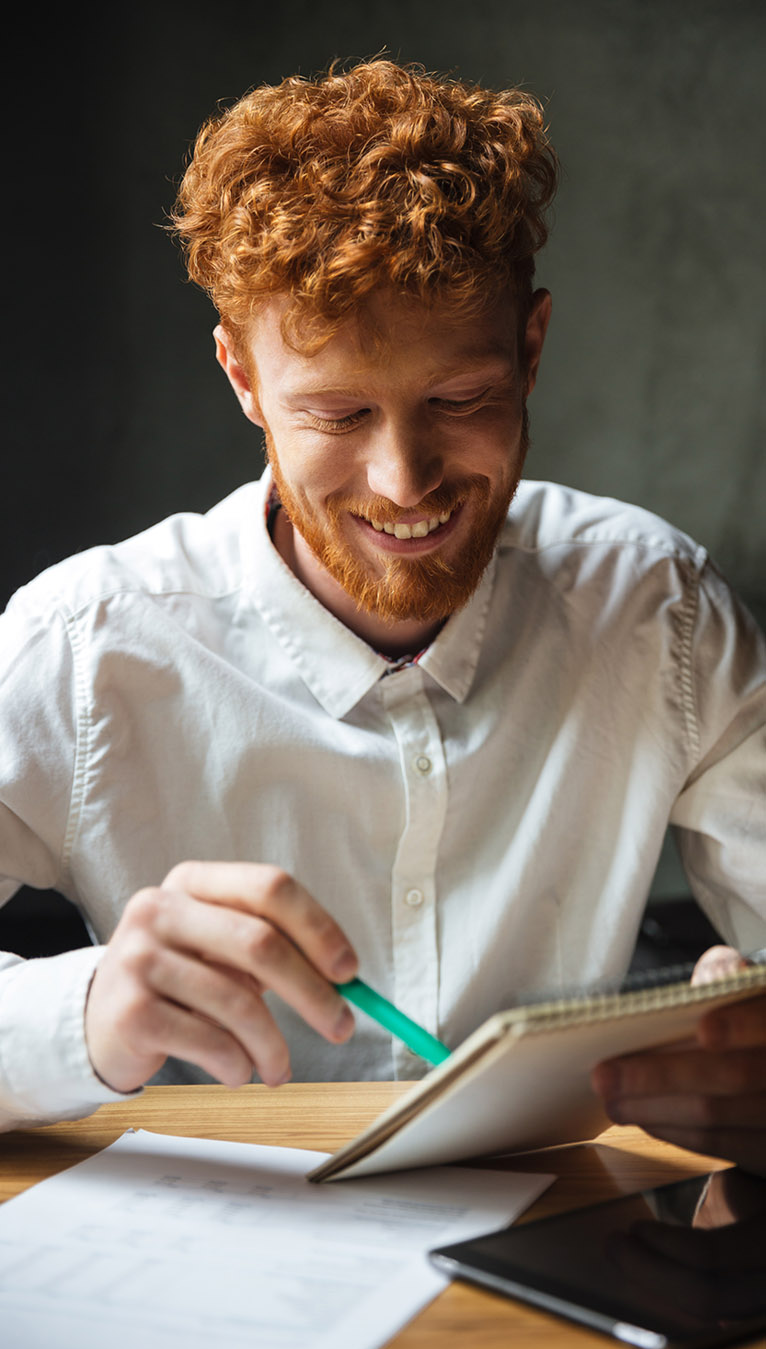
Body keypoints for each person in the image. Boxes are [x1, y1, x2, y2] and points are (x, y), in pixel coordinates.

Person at [1, 61, 765, 1172]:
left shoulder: (662, 615)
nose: (404, 481)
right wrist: (85, 1014)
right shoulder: (81, 647)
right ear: (242, 380)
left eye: (460, 401)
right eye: (336, 412)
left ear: (532, 350)